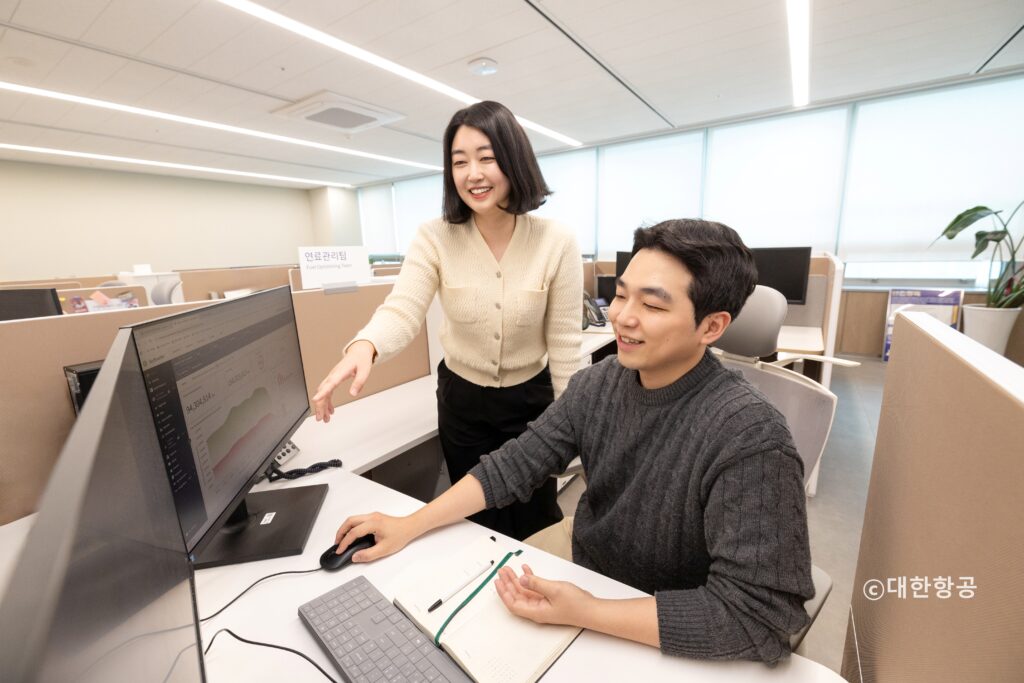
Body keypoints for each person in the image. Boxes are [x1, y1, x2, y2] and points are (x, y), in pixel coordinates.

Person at [331, 219, 815, 665]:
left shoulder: (750, 437)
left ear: (711, 326)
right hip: (588, 567)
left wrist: (589, 611)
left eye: (651, 305)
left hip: (660, 616)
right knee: (432, 634)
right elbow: (515, 465)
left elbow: (761, 619)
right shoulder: (599, 384)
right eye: (621, 296)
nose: (623, 317)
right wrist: (410, 523)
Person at [312, 100, 582, 541]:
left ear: (513, 160)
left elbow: (567, 347)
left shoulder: (556, 241)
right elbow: (402, 309)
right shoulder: (434, 237)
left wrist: (577, 427)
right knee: (474, 522)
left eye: (486, 158)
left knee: (534, 518)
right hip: (464, 404)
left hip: (531, 405)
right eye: (459, 162)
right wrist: (365, 346)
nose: (472, 173)